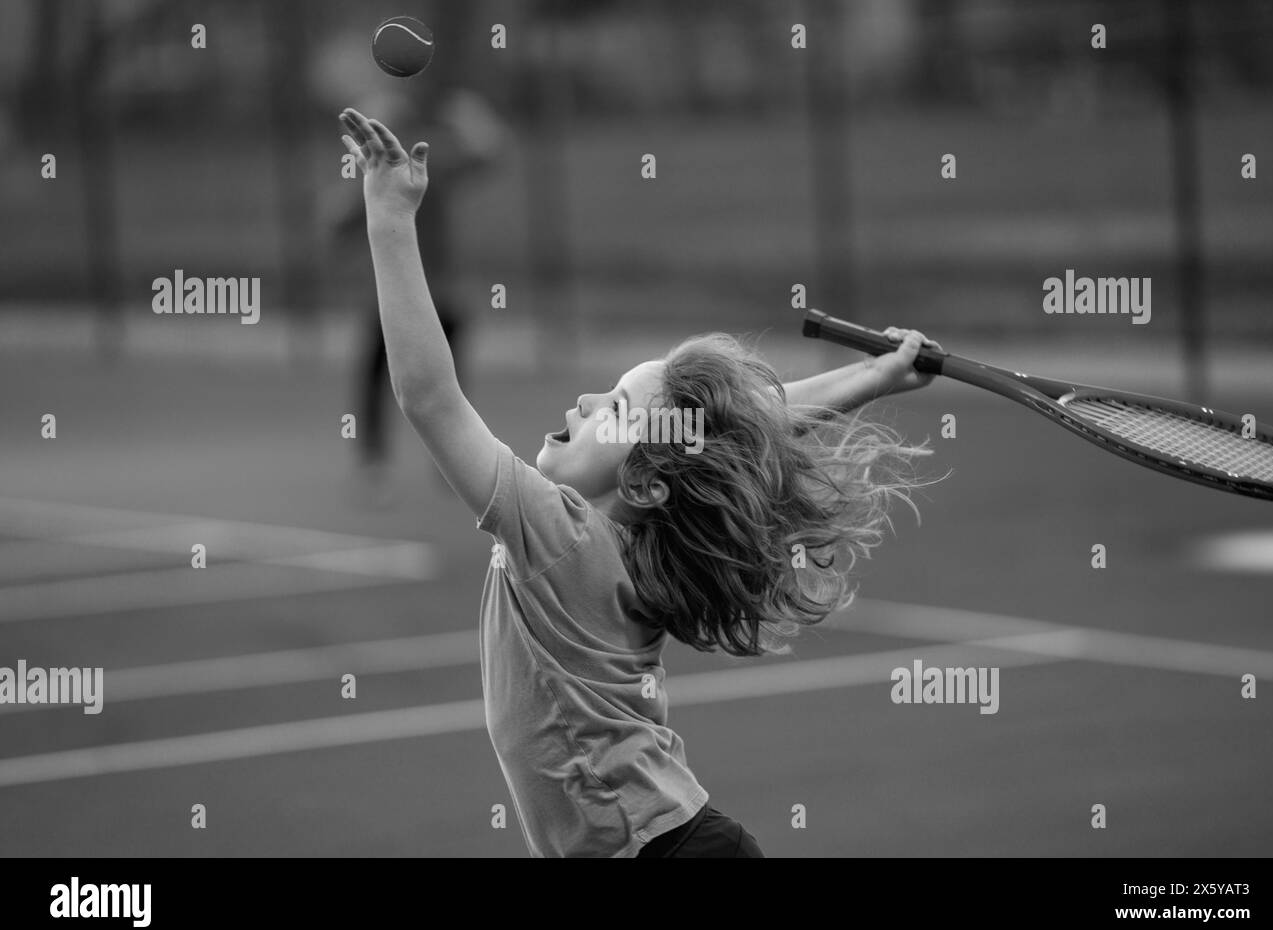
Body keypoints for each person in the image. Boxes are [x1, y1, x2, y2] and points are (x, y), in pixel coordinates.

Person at [339, 107, 942, 857]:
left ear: (650, 482)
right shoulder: (619, 541)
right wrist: (876, 375)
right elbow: (743, 427)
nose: (589, 401)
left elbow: (429, 396)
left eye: (616, 408)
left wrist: (391, 217)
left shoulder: (559, 533)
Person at [330, 89, 504, 502]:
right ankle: (449, 464)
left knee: (381, 378)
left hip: (407, 299)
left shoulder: (399, 168)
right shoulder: (433, 158)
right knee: (443, 381)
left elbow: (334, 223)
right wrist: (475, 118)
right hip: (434, 294)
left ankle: (376, 460)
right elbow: (490, 152)